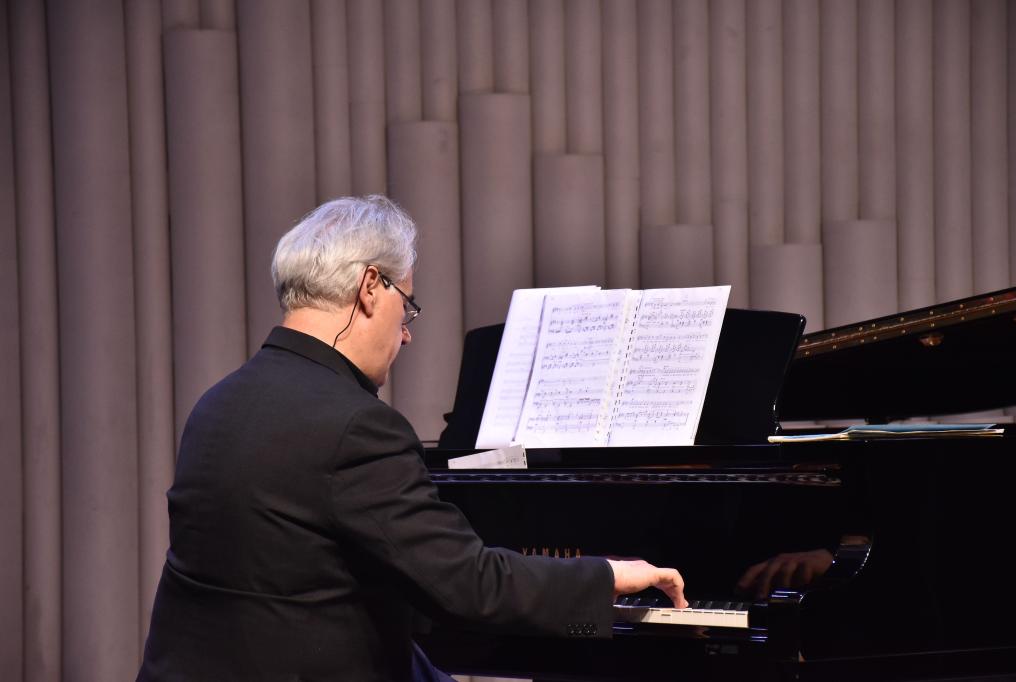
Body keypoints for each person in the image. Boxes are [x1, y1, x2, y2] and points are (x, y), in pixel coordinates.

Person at [137, 195, 686, 681]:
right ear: (370, 287)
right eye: (408, 306)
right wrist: (606, 576)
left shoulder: (217, 405)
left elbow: (310, 593)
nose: (406, 334)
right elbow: (468, 585)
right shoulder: (356, 426)